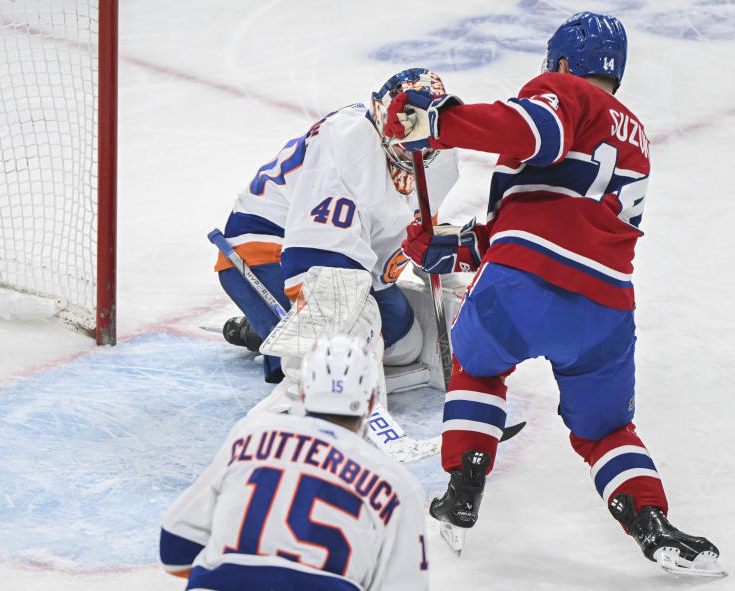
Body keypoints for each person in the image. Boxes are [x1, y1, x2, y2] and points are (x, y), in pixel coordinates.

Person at [398, 11, 724, 576]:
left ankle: (463, 486)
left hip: (522, 287)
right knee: (605, 430)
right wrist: (453, 247)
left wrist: (443, 122)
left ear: (565, 63)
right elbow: (552, 216)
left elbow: (531, 134)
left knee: (476, 367)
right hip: (605, 310)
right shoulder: (635, 136)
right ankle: (652, 524)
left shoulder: (564, 91)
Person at [215, 68, 460, 399]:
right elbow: (319, 262)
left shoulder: (443, 155)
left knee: (405, 344)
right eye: (403, 128)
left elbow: (413, 228)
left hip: (352, 250)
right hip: (269, 243)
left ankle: (265, 332)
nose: (413, 146)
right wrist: (337, 357)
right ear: (381, 116)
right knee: (339, 338)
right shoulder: (346, 145)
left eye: (424, 134)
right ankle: (278, 345)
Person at [159, 334, 430, 590]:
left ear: (303, 393)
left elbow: (175, 547)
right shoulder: (398, 486)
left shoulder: (252, 435)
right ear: (371, 403)